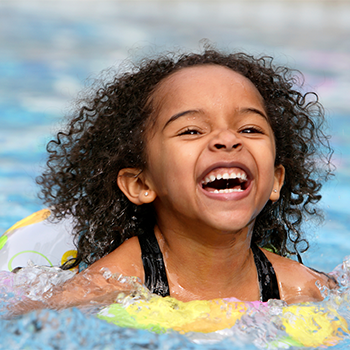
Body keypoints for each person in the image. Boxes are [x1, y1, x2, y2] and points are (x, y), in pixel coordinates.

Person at [34, 48, 335, 308]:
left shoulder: (301, 289)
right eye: (191, 130)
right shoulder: (110, 286)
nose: (227, 139)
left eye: (250, 129)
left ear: (275, 181)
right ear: (141, 184)